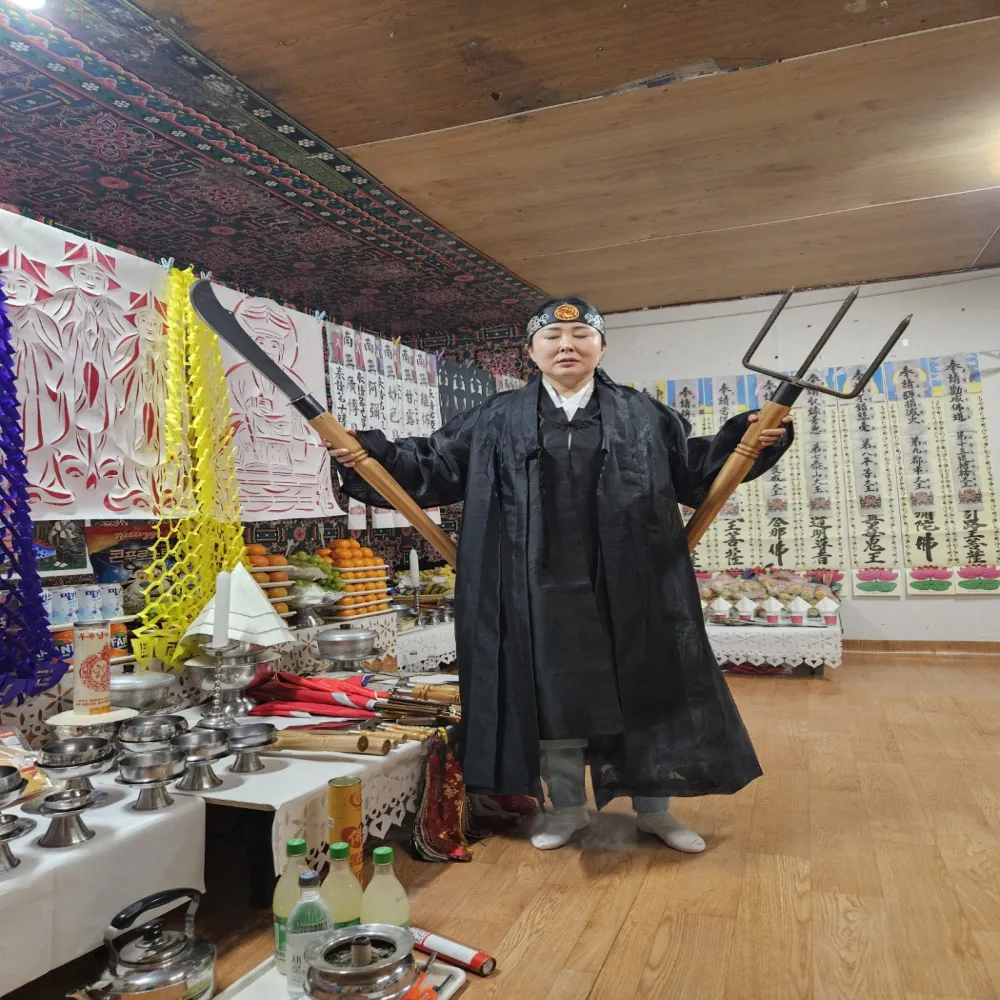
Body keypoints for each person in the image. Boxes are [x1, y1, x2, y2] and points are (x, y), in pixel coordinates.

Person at [328, 298, 792, 853]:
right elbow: (435, 465)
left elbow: (694, 471)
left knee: (646, 689)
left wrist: (746, 439)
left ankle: (656, 810)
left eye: (580, 335)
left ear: (601, 346)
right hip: (531, 586)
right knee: (550, 698)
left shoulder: (644, 414)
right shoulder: (496, 416)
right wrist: (371, 452)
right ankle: (567, 809)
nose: (566, 345)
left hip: (631, 581)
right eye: (551, 337)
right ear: (531, 351)